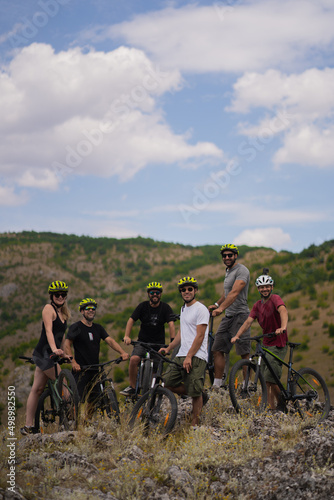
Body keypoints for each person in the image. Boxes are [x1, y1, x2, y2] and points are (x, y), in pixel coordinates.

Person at [231, 273, 288, 410]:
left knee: (269, 378)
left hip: (278, 343)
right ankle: (272, 407)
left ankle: (281, 404)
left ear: (272, 287)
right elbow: (248, 322)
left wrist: (283, 327)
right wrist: (237, 335)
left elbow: (283, 311)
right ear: (258, 289)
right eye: (262, 287)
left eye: (267, 286)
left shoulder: (275, 299)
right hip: (266, 344)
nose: (265, 289)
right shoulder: (257, 305)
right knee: (264, 378)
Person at [20, 280, 71, 435]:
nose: (60, 297)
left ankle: (29, 427)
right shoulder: (48, 309)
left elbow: (60, 337)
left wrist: (64, 352)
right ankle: (69, 422)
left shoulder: (64, 314)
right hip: (44, 354)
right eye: (57, 294)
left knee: (37, 389)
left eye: (63, 294)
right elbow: (49, 331)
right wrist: (54, 349)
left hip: (51, 354)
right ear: (51, 295)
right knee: (66, 390)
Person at [160, 277, 210, 427]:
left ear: (195, 290)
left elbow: (200, 335)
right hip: (181, 354)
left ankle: (195, 424)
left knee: (195, 392)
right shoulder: (183, 309)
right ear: (180, 292)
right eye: (183, 290)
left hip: (196, 356)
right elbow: (182, 334)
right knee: (166, 382)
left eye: (189, 289)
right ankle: (198, 392)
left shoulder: (201, 309)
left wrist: (189, 356)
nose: (186, 292)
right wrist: (169, 348)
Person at [64, 298, 129, 414]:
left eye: (93, 308)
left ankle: (87, 424)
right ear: (82, 311)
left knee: (94, 400)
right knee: (76, 401)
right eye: (87, 308)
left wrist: (122, 352)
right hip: (81, 370)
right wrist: (73, 362)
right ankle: (72, 424)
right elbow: (67, 344)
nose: (91, 310)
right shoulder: (76, 327)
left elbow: (110, 341)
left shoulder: (98, 328)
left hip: (95, 369)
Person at [121, 282, 175, 396]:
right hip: (142, 342)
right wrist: (127, 336)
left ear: (160, 294)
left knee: (156, 370)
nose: (155, 294)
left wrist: (172, 342)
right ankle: (132, 387)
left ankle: (152, 392)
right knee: (134, 359)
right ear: (148, 294)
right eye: (152, 292)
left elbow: (171, 324)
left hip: (159, 344)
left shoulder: (165, 307)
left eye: (157, 292)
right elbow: (131, 320)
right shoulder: (142, 306)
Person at [210, 244, 251, 389]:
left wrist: (221, 308)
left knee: (243, 352)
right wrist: (217, 303)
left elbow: (234, 292)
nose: (227, 257)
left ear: (236, 256)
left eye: (230, 255)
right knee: (217, 349)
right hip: (228, 316)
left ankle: (247, 385)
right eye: (224, 255)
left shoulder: (242, 270)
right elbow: (227, 293)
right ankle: (217, 385)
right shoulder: (228, 271)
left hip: (241, 315)